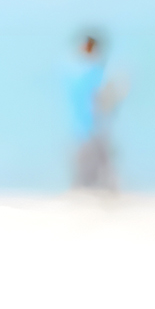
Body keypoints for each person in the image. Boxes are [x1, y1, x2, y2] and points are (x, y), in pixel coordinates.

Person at [66, 34, 125, 191]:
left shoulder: (94, 72)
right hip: (86, 127)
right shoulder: (83, 71)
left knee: (97, 163)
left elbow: (104, 99)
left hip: (93, 126)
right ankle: (92, 189)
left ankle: (103, 189)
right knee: (90, 163)